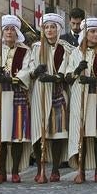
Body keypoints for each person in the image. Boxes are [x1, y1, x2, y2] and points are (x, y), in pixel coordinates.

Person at [0, 15, 32, 184]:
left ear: (17, 32)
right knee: (0, 135)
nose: (9, 32)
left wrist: (13, 79)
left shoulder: (25, 51)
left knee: (16, 135)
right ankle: (0, 170)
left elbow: (27, 69)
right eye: (6, 29)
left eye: (12, 29)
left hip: (16, 93)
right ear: (1, 32)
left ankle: (15, 170)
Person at [65, 17, 97, 183]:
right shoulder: (76, 52)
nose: (95, 35)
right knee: (82, 134)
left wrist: (95, 80)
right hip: (80, 96)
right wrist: (78, 69)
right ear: (85, 34)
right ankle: (81, 169)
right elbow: (68, 76)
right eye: (92, 31)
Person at [29, 13, 73, 182]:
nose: (49, 30)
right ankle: (40, 168)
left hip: (58, 92)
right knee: (38, 132)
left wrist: (55, 77)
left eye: (52, 27)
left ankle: (55, 168)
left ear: (58, 29)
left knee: (57, 133)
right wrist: (35, 71)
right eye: (46, 27)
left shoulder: (66, 47)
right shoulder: (36, 47)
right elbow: (31, 66)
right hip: (40, 91)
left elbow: (66, 68)